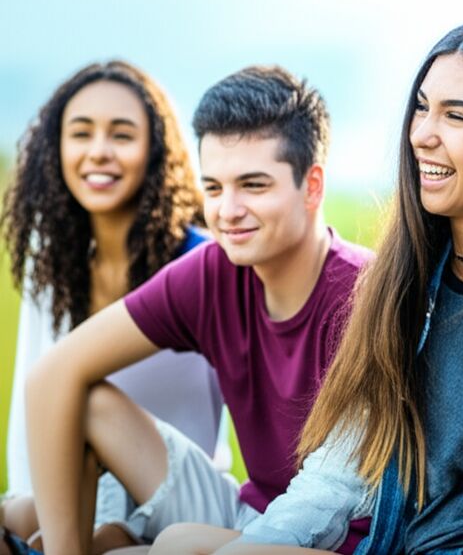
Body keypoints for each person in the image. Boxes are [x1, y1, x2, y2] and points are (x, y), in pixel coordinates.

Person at [149, 17, 463, 555]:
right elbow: (337, 478)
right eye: (422, 107)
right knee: (178, 543)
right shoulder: (405, 286)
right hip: (398, 547)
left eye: (457, 115)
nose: (423, 133)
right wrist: (255, 544)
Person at [24, 65, 373, 555]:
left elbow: (338, 504)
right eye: (213, 188)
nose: (227, 211)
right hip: (245, 510)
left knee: (175, 545)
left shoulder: (365, 295)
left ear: (312, 186)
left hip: (339, 539)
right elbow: (52, 375)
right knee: (83, 400)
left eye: (253, 185)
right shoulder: (212, 270)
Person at [0, 60, 222, 551]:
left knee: (98, 537)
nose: (98, 152)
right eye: (81, 134)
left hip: (167, 494)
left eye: (121, 135)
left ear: (155, 151)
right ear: (55, 149)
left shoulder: (203, 263)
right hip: (74, 489)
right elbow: (29, 407)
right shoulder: (54, 266)